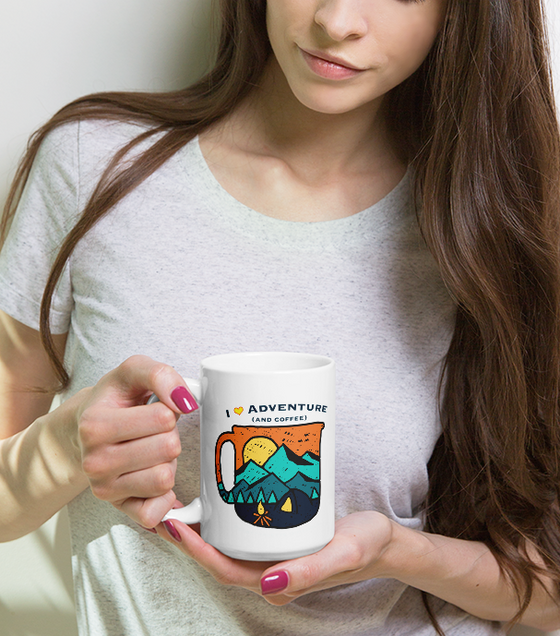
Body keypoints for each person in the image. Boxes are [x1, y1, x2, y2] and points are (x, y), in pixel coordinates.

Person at [1, 0, 559, 633]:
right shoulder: (91, 166)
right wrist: (64, 444)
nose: (338, 20)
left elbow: (547, 590)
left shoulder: (488, 226)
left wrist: (398, 553)